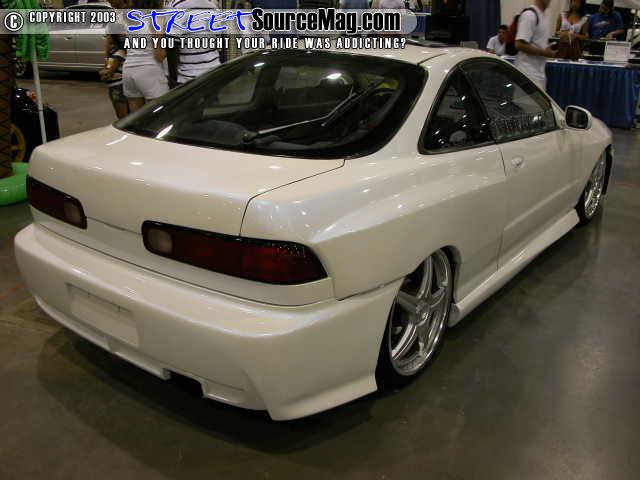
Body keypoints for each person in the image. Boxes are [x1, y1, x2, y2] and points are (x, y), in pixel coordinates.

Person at [122, 0, 169, 112]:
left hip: (128, 69)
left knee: (136, 116)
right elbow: (159, 55)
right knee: (159, 113)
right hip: (149, 69)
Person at [166, 0, 222, 86]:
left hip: (188, 78)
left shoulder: (177, 6)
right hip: (213, 73)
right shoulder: (214, 8)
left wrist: (173, 78)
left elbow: (172, 45)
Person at [515, 0, 556, 89]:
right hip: (527, 74)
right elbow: (519, 44)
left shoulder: (543, 17)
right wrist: (544, 52)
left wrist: (549, 50)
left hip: (538, 74)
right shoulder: (529, 15)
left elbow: (539, 43)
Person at [100, 34, 129, 119]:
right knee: (119, 113)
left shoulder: (119, 53)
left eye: (108, 36)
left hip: (118, 86)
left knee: (122, 115)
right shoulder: (113, 52)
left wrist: (106, 73)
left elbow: (108, 72)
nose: (106, 38)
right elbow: (106, 69)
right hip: (113, 85)